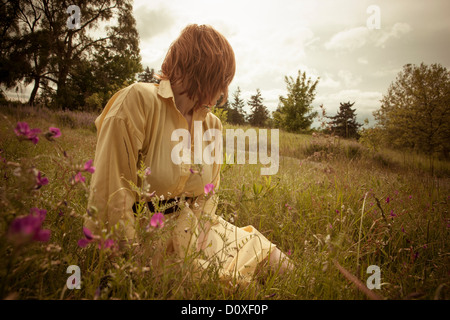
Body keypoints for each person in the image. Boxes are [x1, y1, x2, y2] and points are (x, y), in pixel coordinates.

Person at [85, 24, 291, 283]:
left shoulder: (212, 124)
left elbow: (208, 196)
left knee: (278, 262)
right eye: (223, 80)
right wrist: (130, 261)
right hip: (148, 238)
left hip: (195, 230)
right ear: (205, 72)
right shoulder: (138, 100)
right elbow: (111, 190)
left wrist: (200, 241)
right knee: (236, 286)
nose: (224, 91)